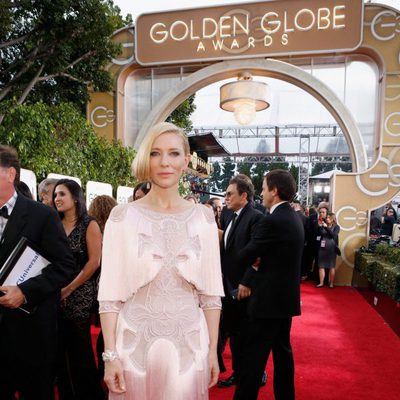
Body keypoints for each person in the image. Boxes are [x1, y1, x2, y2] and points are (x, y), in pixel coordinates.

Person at [98, 122, 224, 399]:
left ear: (186, 160)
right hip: (134, 344)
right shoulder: (121, 217)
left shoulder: (203, 219)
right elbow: (109, 297)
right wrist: (110, 356)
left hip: (189, 345)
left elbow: (211, 296)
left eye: (173, 153)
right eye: (155, 153)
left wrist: (213, 349)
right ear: (146, 158)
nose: (165, 162)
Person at [0, 145, 75, 400]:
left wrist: (25, 292)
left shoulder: (41, 215)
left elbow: (65, 265)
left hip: (30, 335)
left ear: (10, 174)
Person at [233, 169, 304, 400]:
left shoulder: (271, 220)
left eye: (263, 188)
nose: (261, 193)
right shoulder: (294, 217)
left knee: (253, 360)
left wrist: (244, 252)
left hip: (267, 304)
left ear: (274, 191)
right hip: (284, 302)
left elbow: (245, 255)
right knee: (283, 356)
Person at [53, 179, 104, 400]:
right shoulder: (53, 223)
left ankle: (88, 394)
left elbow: (94, 262)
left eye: (62, 194)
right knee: (59, 347)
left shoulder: (88, 224)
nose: (57, 199)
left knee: (79, 346)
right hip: (55, 291)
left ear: (75, 197)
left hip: (81, 291)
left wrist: (70, 289)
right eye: (55, 195)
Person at [217, 174, 264, 389]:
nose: (225, 198)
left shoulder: (256, 217)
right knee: (235, 333)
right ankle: (238, 372)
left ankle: (255, 372)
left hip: (244, 287)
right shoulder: (228, 215)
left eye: (229, 194)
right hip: (227, 285)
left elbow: (258, 254)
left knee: (249, 333)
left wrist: (247, 282)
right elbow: (227, 246)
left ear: (243, 196)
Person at [88, 194, 118, 385]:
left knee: (106, 332)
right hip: (114, 288)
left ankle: (103, 372)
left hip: (102, 287)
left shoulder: (95, 231)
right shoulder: (117, 231)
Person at [316, 212, 341, 288]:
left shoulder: (337, 227)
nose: (326, 219)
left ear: (332, 219)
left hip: (332, 248)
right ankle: (321, 282)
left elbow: (333, 235)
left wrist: (326, 227)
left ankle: (331, 283)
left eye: (328, 218)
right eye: (326, 218)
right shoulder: (323, 225)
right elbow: (320, 234)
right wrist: (320, 226)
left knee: (331, 266)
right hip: (322, 247)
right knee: (321, 265)